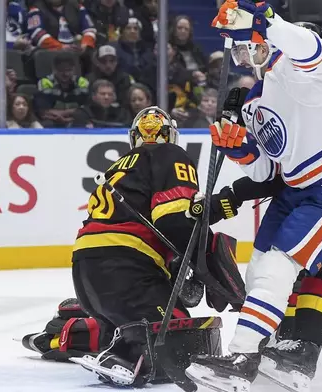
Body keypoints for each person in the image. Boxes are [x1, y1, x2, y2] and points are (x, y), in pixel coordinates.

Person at [186, 2, 322, 391]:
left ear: (264, 42)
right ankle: (268, 350)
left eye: (244, 47)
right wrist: (240, 150)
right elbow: (266, 170)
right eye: (235, 51)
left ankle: (241, 357)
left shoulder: (301, 69)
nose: (240, 58)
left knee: (278, 266)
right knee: (258, 270)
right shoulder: (254, 101)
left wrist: (266, 21)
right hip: (295, 187)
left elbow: (308, 45)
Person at [70, 106, 245, 389]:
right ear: (170, 135)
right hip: (128, 272)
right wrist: (208, 265)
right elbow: (174, 220)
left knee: (125, 320)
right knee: (182, 342)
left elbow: (165, 220)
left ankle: (67, 330)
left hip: (86, 273)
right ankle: (127, 355)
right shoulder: (171, 155)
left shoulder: (121, 166)